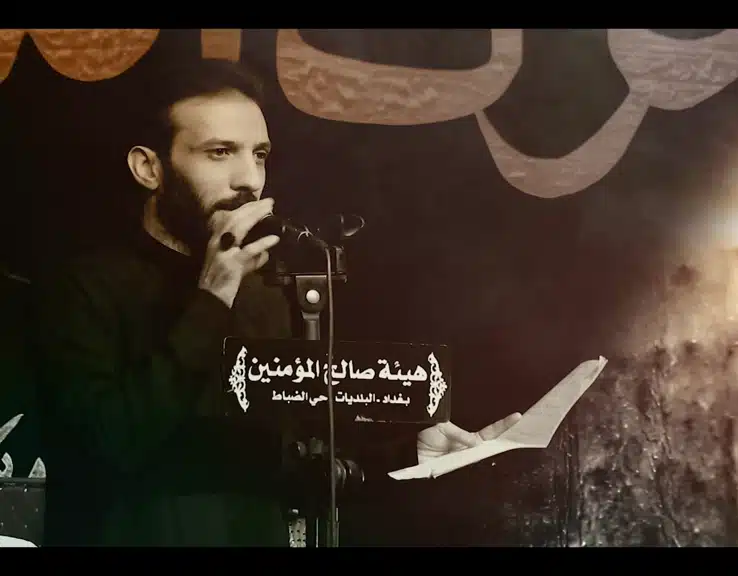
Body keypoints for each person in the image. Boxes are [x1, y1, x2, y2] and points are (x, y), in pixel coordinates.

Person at [31, 59, 521, 547]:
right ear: (149, 168)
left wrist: (411, 456)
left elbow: (287, 464)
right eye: (219, 152)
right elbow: (102, 448)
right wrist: (212, 298)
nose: (248, 179)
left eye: (260, 155)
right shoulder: (84, 286)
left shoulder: (266, 292)